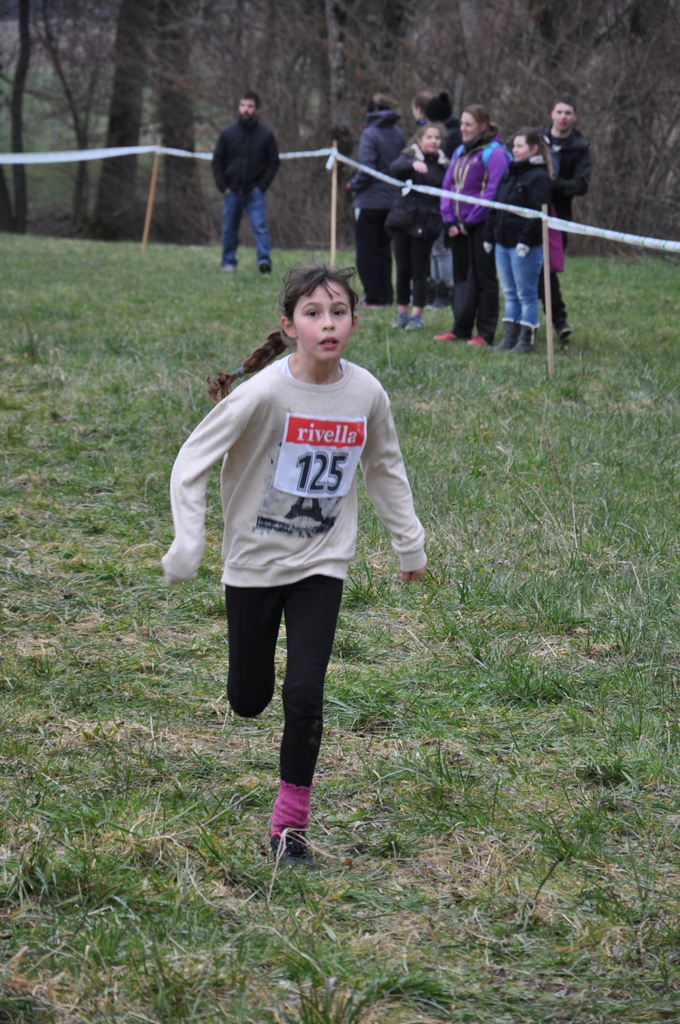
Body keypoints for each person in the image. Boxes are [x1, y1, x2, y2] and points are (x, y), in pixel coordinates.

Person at [161, 264, 426, 870]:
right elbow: (190, 462)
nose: (327, 324)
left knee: (305, 693)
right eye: (313, 313)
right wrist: (188, 542)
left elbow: (385, 468)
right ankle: (251, 696)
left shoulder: (366, 394)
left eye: (338, 313)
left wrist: (409, 545)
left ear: (354, 322)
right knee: (248, 699)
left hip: (321, 563)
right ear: (289, 326)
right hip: (254, 565)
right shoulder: (263, 394)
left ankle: (289, 828)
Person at [436, 104, 511, 346]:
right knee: (461, 278)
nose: (463, 128)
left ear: (482, 126)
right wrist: (449, 219)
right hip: (456, 225)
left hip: (481, 225)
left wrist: (470, 221)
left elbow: (493, 191)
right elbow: (447, 186)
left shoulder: (494, 153)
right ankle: (460, 328)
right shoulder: (459, 151)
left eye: (469, 124)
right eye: (462, 123)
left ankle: (485, 332)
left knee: (484, 277)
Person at [484, 128, 553, 354]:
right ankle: (509, 338)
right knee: (509, 293)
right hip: (502, 242)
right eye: (514, 146)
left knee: (526, 294)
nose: (515, 150)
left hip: (524, 246)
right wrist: (490, 235)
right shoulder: (509, 172)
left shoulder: (539, 177)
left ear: (534, 149)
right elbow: (496, 205)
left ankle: (526, 341)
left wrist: (526, 240)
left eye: (520, 146)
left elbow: (538, 212)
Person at [538, 94, 592, 339]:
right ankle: (523, 324)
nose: (563, 117)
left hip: (558, 216)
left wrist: (554, 185)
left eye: (568, 113)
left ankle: (559, 320)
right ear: (552, 114)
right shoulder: (537, 138)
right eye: (559, 112)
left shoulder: (580, 147)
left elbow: (581, 185)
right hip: (529, 210)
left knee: (547, 270)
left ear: (575, 117)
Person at [386, 122, 448, 330]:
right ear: (419, 140)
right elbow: (394, 169)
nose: (433, 141)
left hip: (427, 223)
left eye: (437, 138)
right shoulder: (407, 157)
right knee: (402, 269)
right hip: (402, 221)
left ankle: (416, 315)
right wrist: (412, 164)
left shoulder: (443, 165)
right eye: (429, 137)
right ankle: (402, 312)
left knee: (420, 271)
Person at [212, 91, 280, 273]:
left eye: (250, 106)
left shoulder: (266, 135)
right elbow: (217, 161)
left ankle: (264, 261)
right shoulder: (228, 133)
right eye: (243, 105)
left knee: (259, 228)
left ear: (257, 110)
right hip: (232, 191)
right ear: (238, 108)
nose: (246, 110)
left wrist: (261, 187)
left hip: (254, 192)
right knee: (229, 230)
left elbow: (273, 162)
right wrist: (223, 186)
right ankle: (228, 262)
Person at [348, 94, 406, 308]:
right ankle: (386, 295)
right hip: (392, 201)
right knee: (384, 250)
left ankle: (374, 297)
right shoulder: (398, 133)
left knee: (367, 251)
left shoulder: (370, 134)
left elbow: (367, 168)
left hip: (369, 202)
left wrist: (353, 184)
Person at [423, 92, 461, 308]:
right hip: (431, 204)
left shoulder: (451, 140)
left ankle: (446, 290)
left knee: (442, 249)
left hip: (444, 204)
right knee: (433, 250)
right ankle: (434, 288)